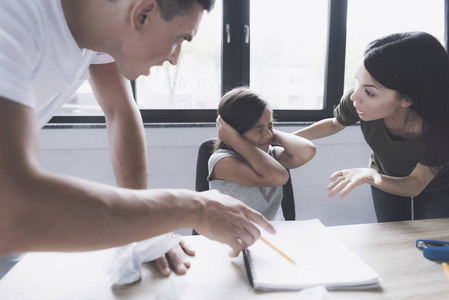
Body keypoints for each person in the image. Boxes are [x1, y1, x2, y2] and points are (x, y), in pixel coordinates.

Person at [0, 0, 276, 279]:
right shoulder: (12, 19)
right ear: (142, 14)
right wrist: (192, 209)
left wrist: (144, 226)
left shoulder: (97, 30)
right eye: (180, 38)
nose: (174, 58)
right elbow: (13, 208)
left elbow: (120, 111)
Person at [294, 31, 449, 222]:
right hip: (381, 175)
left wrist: (368, 176)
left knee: (430, 241)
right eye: (357, 82)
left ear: (408, 98)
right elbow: (335, 124)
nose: (354, 97)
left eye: (369, 92)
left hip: (437, 185)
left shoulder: (442, 127)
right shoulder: (359, 100)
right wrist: (286, 138)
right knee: (390, 237)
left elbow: (415, 183)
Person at [209, 87, 316, 220]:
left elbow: (307, 150)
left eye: (271, 126)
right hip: (235, 236)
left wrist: (269, 134)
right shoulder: (222, 161)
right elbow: (279, 176)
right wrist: (234, 139)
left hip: (274, 233)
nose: (267, 134)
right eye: (258, 129)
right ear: (235, 131)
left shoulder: (269, 153)